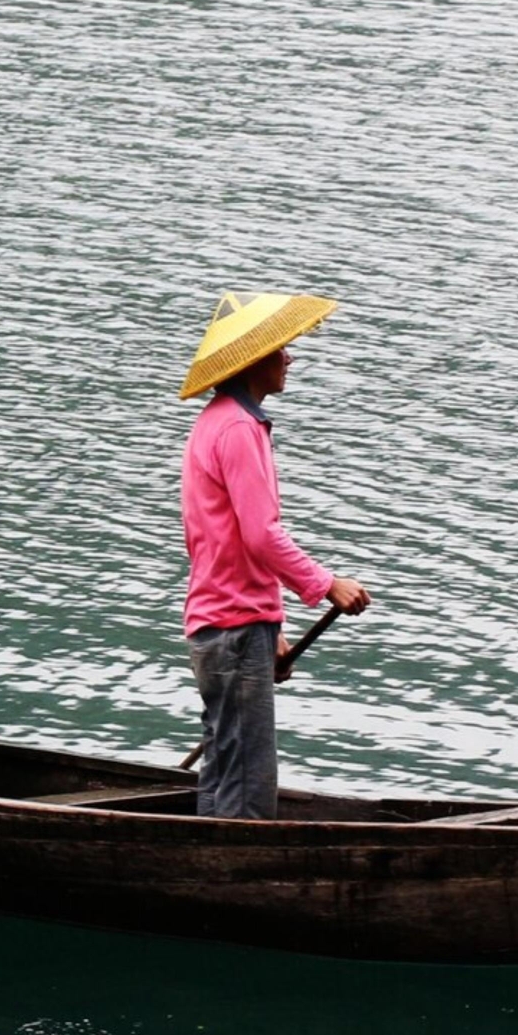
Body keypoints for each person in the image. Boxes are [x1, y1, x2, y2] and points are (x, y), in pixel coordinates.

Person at [177, 291, 371, 820]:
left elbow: (224, 542)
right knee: (247, 786)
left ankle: (209, 865)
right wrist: (325, 583)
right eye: (282, 349)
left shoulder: (216, 423)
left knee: (224, 766)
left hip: (224, 622)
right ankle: (229, 878)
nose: (290, 358)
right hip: (234, 631)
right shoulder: (239, 429)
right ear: (254, 360)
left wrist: (271, 624)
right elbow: (261, 535)